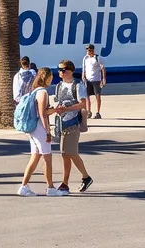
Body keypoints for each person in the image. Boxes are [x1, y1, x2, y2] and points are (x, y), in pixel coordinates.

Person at [53, 59, 92, 195]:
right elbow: (57, 101)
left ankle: (85, 177)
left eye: (63, 70)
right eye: (59, 69)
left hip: (73, 122)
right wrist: (57, 108)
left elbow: (82, 104)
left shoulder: (77, 85)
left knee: (71, 153)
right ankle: (65, 183)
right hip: (61, 122)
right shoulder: (58, 85)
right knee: (65, 154)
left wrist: (67, 108)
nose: (60, 72)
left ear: (70, 70)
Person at [17, 67, 56, 196]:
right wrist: (48, 131)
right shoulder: (43, 92)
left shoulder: (35, 91)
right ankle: (50, 188)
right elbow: (42, 113)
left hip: (33, 129)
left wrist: (54, 110)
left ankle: (24, 186)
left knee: (35, 157)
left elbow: (42, 111)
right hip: (40, 129)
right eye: (51, 76)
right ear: (47, 78)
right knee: (47, 157)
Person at [81, 44, 106, 119]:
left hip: (96, 80)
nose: (88, 51)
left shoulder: (97, 58)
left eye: (90, 50)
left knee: (97, 96)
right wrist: (83, 75)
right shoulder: (85, 58)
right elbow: (84, 68)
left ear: (93, 50)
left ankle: (98, 112)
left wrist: (103, 78)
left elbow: (103, 68)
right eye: (87, 50)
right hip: (88, 80)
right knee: (87, 96)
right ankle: (89, 111)